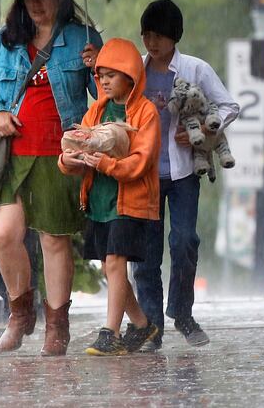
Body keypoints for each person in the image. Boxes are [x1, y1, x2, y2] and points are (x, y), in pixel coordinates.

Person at [0, 0, 102, 356]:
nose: (35, 1)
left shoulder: (82, 38)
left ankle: (57, 326)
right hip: (14, 154)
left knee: (53, 239)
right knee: (4, 234)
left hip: (62, 153)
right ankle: (20, 311)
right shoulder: (2, 41)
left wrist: (98, 66)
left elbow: (109, 94)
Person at [133, 0, 240, 351]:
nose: (152, 43)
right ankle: (151, 327)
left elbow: (229, 105)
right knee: (145, 254)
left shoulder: (195, 70)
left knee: (183, 242)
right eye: (147, 35)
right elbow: (110, 91)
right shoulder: (136, 70)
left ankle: (182, 313)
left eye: (159, 36)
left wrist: (208, 133)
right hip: (143, 172)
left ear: (174, 36)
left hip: (183, 173)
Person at [58, 38, 161, 356]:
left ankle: (110, 333)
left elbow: (142, 160)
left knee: (116, 263)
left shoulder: (145, 112)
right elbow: (78, 149)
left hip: (129, 201)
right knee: (109, 267)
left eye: (111, 74)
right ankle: (143, 325)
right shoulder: (95, 111)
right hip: (99, 201)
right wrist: (68, 161)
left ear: (130, 75)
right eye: (100, 74)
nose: (103, 80)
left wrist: (109, 164)